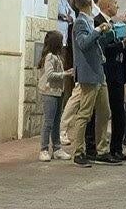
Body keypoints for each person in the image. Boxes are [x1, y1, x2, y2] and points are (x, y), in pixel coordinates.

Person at [71, 0, 121, 167]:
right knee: (84, 114)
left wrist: (107, 35)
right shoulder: (80, 22)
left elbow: (96, 43)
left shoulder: (89, 20)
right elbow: (84, 44)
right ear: (90, 3)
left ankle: (102, 149)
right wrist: (99, 29)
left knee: (105, 112)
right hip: (88, 74)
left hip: (99, 73)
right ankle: (78, 152)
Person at [93, 0, 126, 161]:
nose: (117, 6)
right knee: (103, 112)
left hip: (118, 73)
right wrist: (122, 44)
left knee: (119, 111)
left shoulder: (114, 23)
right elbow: (104, 48)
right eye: (115, 3)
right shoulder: (98, 22)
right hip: (107, 72)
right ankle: (99, 147)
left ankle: (116, 147)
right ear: (107, 6)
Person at [37, 30, 73, 162]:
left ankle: (57, 148)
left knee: (57, 121)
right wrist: (65, 74)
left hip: (58, 91)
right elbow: (50, 74)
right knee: (49, 122)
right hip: (49, 92)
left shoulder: (58, 57)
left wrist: (65, 72)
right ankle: (44, 149)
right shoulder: (49, 57)